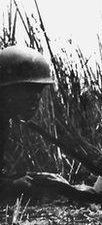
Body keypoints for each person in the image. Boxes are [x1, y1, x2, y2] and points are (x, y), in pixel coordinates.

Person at [0, 45, 59, 198]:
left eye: (39, 90)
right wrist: (13, 186)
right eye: (28, 89)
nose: (36, 97)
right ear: (6, 90)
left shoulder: (5, 121)